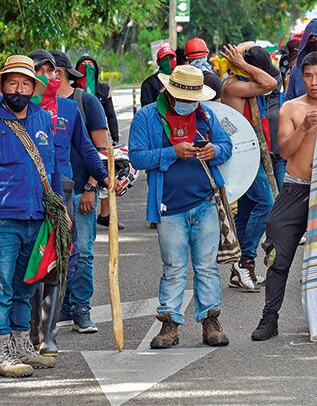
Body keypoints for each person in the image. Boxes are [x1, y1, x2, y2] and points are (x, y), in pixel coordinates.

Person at [0, 55, 60, 377]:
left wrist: (59, 210)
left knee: (26, 286)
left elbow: (52, 169)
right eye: (12, 83)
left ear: (34, 88)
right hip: (1, 219)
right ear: (2, 86)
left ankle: (22, 346)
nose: (18, 89)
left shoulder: (44, 120)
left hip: (38, 217)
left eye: (25, 84)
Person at [251, 52, 317, 341]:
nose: (314, 81)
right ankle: (269, 319)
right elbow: (283, 151)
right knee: (277, 255)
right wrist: (305, 128)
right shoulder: (290, 108)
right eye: (308, 75)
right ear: (301, 77)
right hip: (295, 186)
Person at [129, 65, 232, 348]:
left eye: (193, 98)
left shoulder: (207, 114)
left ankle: (210, 321)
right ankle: (170, 325)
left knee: (207, 266)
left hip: (205, 201)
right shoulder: (147, 117)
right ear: (170, 92)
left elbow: (226, 145)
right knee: (173, 267)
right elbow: (137, 158)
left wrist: (216, 151)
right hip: (169, 206)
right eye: (184, 98)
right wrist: (172, 152)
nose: (189, 104)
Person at [29, 50, 108, 356]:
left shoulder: (70, 109)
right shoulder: (14, 112)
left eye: (51, 71)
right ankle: (29, 330)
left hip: (63, 199)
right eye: (40, 71)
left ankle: (48, 334)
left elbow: (87, 149)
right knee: (29, 264)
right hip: (26, 199)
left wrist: (103, 178)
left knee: (61, 262)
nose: (47, 77)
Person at [51, 51, 113, 333]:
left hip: (79, 191)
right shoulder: (37, 105)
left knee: (84, 252)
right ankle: (62, 304)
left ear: (58, 74)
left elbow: (100, 150)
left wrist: (91, 187)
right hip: (50, 195)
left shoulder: (85, 102)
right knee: (55, 252)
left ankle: (82, 309)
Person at [221, 43, 279, 291]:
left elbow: (268, 78)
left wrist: (240, 54)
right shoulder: (234, 85)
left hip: (252, 152)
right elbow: (271, 83)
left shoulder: (244, 82)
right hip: (242, 154)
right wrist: (242, 63)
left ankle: (238, 264)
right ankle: (245, 261)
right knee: (266, 203)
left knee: (247, 208)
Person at [74, 54, 119, 144]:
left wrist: (115, 138)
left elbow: (110, 115)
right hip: (77, 135)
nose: (87, 66)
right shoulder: (72, 90)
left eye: (90, 64)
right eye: (83, 64)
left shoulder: (104, 89)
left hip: (98, 133)